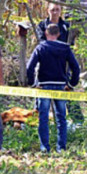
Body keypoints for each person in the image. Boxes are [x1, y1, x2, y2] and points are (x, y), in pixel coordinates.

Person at [27, 23, 80, 153]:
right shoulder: (65, 48)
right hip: (61, 86)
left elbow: (30, 67)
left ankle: (45, 148)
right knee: (61, 117)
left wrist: (33, 83)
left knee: (43, 118)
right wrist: (71, 84)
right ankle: (61, 147)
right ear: (58, 34)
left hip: (44, 85)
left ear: (46, 33)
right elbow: (76, 68)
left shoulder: (41, 48)